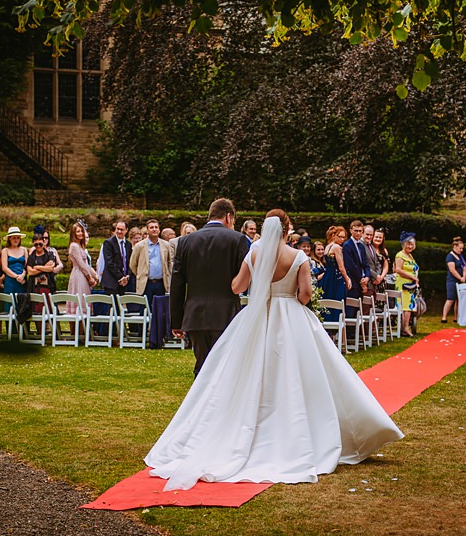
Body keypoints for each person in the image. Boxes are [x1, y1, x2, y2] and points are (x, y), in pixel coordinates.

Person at [145, 211, 403, 492]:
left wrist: (258, 289)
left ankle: (246, 431)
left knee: (247, 373)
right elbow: (305, 294)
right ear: (287, 229)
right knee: (306, 374)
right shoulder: (298, 257)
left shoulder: (254, 255)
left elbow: (237, 286)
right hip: (291, 316)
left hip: (257, 317)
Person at [170, 198, 251, 376]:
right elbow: (245, 278)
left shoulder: (185, 242)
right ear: (229, 217)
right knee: (224, 368)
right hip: (226, 313)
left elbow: (177, 283)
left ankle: (200, 401)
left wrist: (177, 320)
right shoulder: (238, 239)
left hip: (194, 314)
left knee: (202, 366)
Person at [130, 218, 172, 302]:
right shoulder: (139, 246)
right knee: (145, 310)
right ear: (147, 230)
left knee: (161, 310)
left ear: (159, 230)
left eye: (156, 227)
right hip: (146, 283)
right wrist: (140, 274)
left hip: (161, 283)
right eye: (151, 227)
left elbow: (169, 263)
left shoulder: (166, 245)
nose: (154, 229)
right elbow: (133, 264)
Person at [67, 221, 98, 318]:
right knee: (79, 298)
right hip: (78, 275)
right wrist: (89, 278)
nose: (80, 233)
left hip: (83, 274)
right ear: (74, 233)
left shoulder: (81, 246)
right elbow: (81, 265)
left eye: (81, 231)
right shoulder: (74, 246)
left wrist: (95, 276)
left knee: (84, 298)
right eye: (78, 231)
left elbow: (86, 265)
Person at [320, 226, 352, 313]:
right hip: (336, 278)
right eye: (340, 236)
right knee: (337, 302)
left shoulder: (327, 247)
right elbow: (341, 267)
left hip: (328, 277)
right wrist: (347, 279)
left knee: (327, 301)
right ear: (334, 235)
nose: (342, 239)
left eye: (343, 237)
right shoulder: (336, 247)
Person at [393, 231, 419, 337]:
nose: (410, 246)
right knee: (405, 306)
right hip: (403, 284)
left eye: (412, 244)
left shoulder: (410, 256)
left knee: (409, 307)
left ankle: (405, 326)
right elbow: (398, 270)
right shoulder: (400, 255)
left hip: (411, 285)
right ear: (403, 244)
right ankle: (405, 328)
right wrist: (412, 277)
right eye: (408, 244)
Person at [342, 219, 371, 312]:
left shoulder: (361, 246)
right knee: (351, 311)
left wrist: (367, 277)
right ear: (351, 231)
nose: (358, 233)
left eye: (360, 231)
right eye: (356, 231)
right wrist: (361, 281)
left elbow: (366, 264)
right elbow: (350, 266)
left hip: (362, 282)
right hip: (353, 282)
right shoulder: (347, 245)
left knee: (359, 311)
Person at [100, 220, 132, 299]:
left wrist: (127, 276)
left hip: (124, 282)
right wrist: (120, 277)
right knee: (112, 308)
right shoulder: (108, 243)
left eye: (121, 229)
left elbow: (130, 261)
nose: (119, 231)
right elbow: (109, 262)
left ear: (126, 230)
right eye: (117, 229)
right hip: (111, 282)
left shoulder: (128, 244)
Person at [442, 236, 466, 323]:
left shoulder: (460, 257)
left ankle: (456, 317)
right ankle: (444, 317)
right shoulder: (450, 257)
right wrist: (460, 278)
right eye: (460, 248)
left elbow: (464, 267)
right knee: (450, 299)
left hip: (460, 281)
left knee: (458, 300)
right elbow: (452, 270)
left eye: (462, 248)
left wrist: (464, 276)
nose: (461, 250)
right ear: (455, 246)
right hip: (452, 281)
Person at [0, 226, 29, 297]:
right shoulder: (5, 250)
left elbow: (27, 265)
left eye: (18, 238)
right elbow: (4, 267)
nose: (16, 240)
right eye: (14, 238)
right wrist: (16, 277)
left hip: (22, 281)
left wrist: (23, 275)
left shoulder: (24, 249)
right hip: (10, 281)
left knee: (22, 303)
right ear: (9, 238)